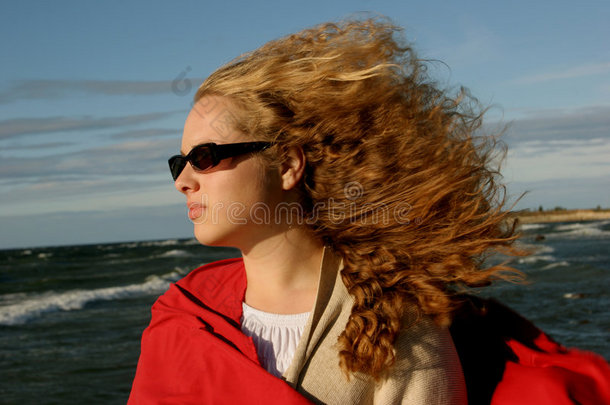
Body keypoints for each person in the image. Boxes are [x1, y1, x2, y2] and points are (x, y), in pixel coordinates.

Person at [129, 18, 531, 404]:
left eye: (203, 156)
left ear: (287, 164)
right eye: (177, 163)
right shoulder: (182, 319)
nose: (183, 180)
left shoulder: (393, 324)